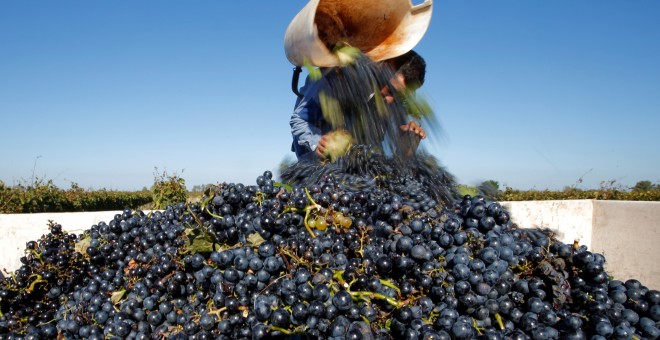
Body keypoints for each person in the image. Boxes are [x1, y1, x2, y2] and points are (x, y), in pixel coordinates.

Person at [290, 50, 428, 161]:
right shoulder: (333, 79)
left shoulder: (397, 96)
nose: (391, 100)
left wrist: (412, 125)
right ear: (385, 68)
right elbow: (299, 120)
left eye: (400, 96)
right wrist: (317, 144)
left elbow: (408, 114)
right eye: (390, 90)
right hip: (318, 165)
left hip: (355, 165)